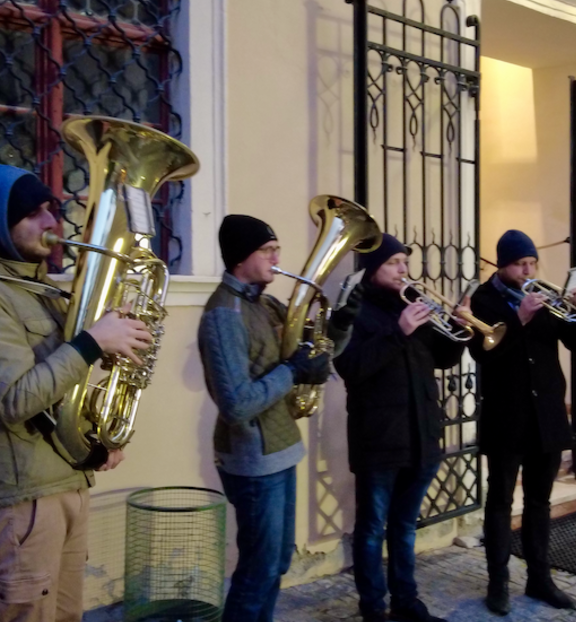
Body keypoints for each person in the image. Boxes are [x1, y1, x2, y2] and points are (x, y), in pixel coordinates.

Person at [0, 164, 144, 621]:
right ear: (0, 223)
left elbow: (61, 390)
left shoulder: (38, 287)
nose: (51, 222)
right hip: (24, 499)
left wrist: (96, 441)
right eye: (32, 213)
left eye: (48, 209)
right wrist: (91, 341)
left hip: (66, 479)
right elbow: (17, 400)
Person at [198, 214, 361, 622]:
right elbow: (235, 403)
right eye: (267, 250)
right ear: (240, 258)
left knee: (276, 566)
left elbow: (316, 350)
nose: (277, 257)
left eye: (276, 249)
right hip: (253, 459)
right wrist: (292, 372)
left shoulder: (265, 303)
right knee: (257, 571)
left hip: (282, 450)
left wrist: (340, 325)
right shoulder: (224, 314)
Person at [334, 234, 465, 622]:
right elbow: (351, 368)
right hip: (378, 440)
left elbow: (442, 358)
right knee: (372, 529)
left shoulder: (415, 305)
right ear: (373, 268)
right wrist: (398, 331)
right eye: (394, 262)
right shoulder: (352, 311)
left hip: (421, 436)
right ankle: (373, 608)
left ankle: (407, 603)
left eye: (405, 262)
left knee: (405, 527)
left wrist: (456, 328)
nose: (404, 269)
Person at [466, 230, 576, 615]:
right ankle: (498, 583)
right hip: (507, 416)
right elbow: (480, 353)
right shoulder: (484, 300)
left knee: (540, 501)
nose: (529, 270)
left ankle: (540, 579)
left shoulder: (547, 299)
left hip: (547, 415)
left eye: (533, 264)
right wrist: (519, 319)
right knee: (501, 501)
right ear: (502, 265)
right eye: (521, 264)